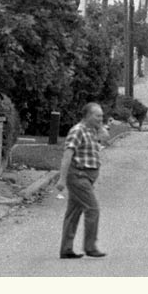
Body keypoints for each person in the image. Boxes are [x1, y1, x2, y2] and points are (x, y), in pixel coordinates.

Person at [56, 102, 107, 259]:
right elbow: (67, 155)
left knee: (73, 212)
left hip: (87, 177)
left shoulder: (91, 130)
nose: (101, 118)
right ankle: (90, 246)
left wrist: (100, 126)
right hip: (78, 176)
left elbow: (105, 138)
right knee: (93, 209)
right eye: (97, 116)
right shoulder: (77, 131)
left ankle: (66, 249)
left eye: (102, 116)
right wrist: (62, 180)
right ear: (87, 115)